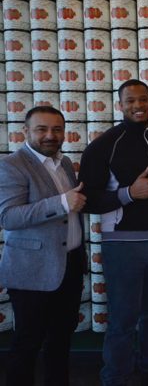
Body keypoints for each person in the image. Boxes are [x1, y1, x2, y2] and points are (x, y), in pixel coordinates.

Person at [78, 79, 148, 386]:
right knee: (123, 320)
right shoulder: (104, 145)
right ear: (120, 105)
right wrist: (129, 193)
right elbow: (86, 200)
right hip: (122, 246)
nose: (138, 105)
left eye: (143, 99)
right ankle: (115, 377)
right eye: (130, 101)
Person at [0, 106, 86, 386]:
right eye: (42, 129)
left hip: (69, 266)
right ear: (26, 131)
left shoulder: (64, 163)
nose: (50, 135)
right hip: (32, 271)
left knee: (60, 341)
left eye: (57, 129)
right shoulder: (11, 165)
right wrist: (60, 203)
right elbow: (8, 217)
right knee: (27, 344)